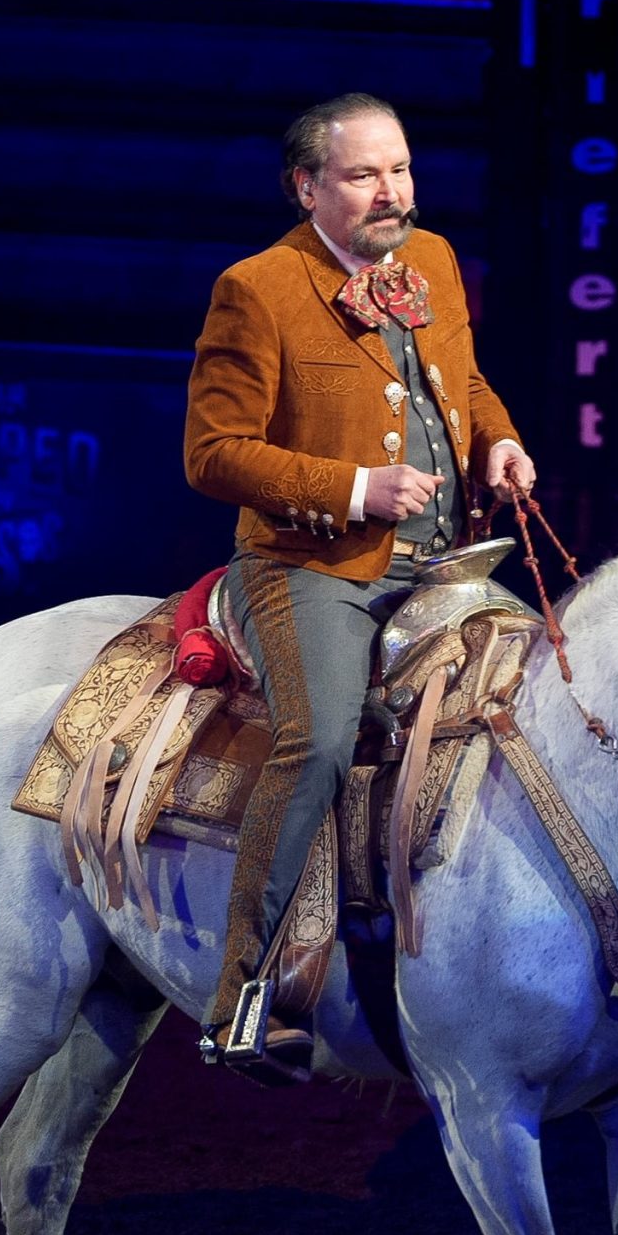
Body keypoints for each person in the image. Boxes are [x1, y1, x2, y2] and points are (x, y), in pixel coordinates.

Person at [183, 91, 536, 1060]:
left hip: (446, 562)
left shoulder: (431, 260)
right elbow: (211, 453)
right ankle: (243, 997)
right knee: (321, 738)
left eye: (402, 169)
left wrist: (497, 440)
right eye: (364, 175)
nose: (393, 192)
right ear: (307, 188)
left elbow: (458, 382)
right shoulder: (256, 288)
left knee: (551, 694)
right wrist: (351, 487)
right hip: (313, 567)